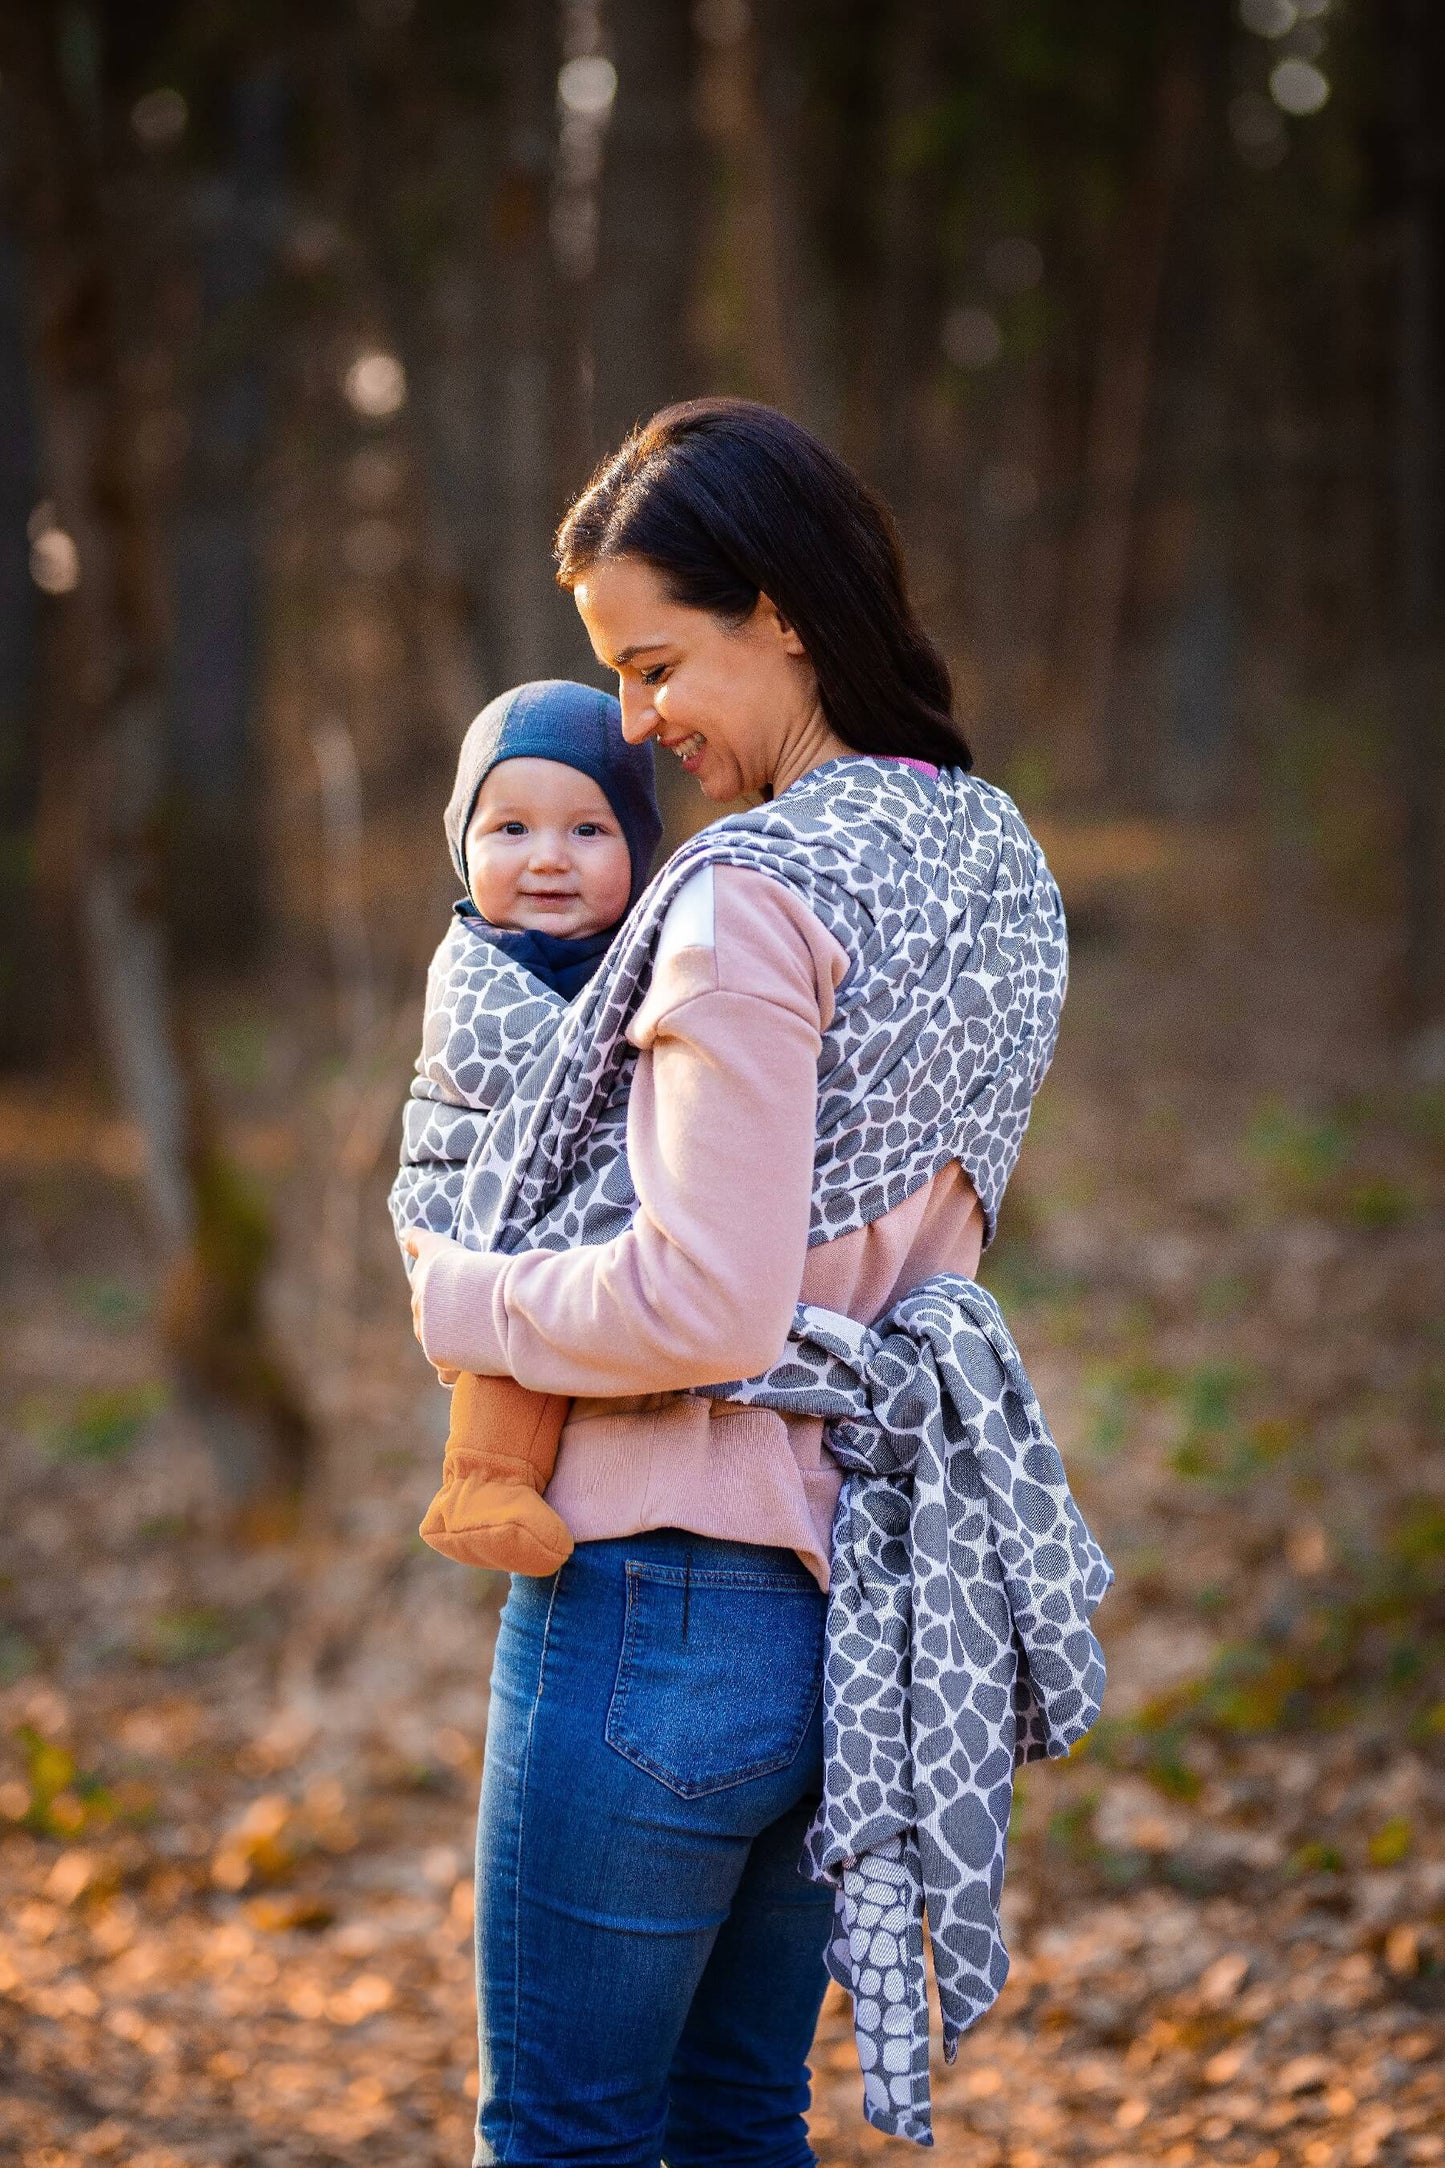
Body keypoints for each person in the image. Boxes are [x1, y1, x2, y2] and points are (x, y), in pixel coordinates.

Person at [398, 399, 1107, 2165]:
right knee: (735, 2121)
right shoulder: (996, 858)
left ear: (780, 612)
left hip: (662, 1592)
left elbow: (704, 1302)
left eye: (655, 664)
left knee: (562, 2134)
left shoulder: (748, 893)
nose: (641, 724)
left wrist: (465, 1299)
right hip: (856, 1614)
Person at [399, 678, 661, 1576]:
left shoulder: (658, 947)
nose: (548, 858)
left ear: (638, 847)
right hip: (481, 1184)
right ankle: (481, 1479)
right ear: (463, 848)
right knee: (511, 1287)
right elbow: (520, 1079)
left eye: (587, 830)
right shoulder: (478, 966)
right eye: (510, 829)